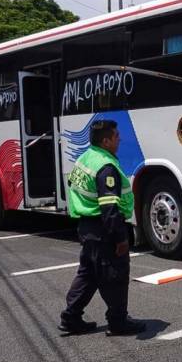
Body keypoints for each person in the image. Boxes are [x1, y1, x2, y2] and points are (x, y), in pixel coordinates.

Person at [59, 120, 145, 336]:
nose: (119, 139)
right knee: (114, 276)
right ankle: (118, 321)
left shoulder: (86, 157)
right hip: (104, 229)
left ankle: (71, 317)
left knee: (88, 275)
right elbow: (109, 208)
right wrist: (120, 238)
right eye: (116, 136)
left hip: (87, 227)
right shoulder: (105, 167)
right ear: (105, 141)